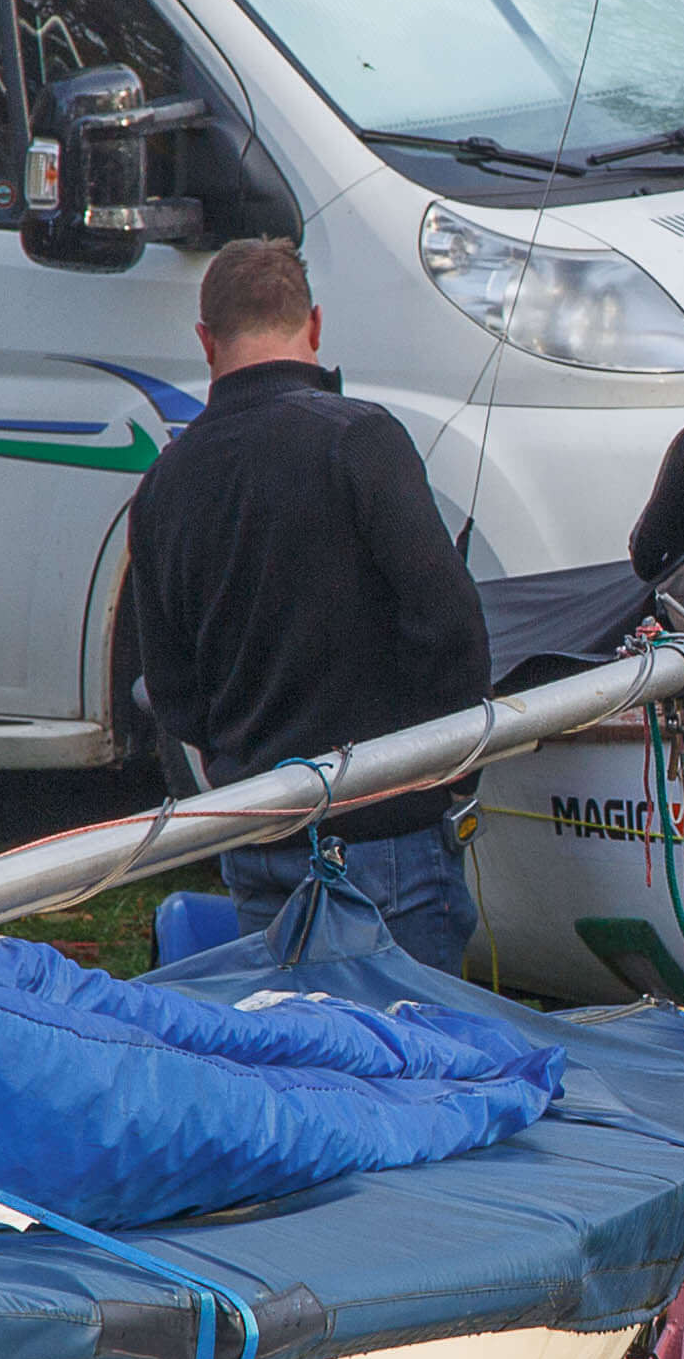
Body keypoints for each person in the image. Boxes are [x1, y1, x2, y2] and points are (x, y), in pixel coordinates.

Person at [119, 234, 492, 966]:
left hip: (258, 846)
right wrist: (445, 778)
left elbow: (173, 695)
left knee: (294, 1066)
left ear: (206, 341)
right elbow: (450, 626)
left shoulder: (163, 486)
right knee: (414, 1069)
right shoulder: (361, 441)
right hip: (388, 838)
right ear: (314, 326)